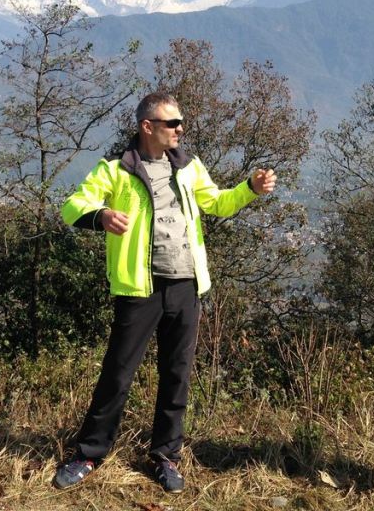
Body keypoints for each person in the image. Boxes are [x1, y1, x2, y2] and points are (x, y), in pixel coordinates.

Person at [54, 92, 276, 492]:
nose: (180, 129)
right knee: (118, 374)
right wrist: (101, 215)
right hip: (140, 288)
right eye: (172, 123)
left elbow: (218, 203)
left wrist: (250, 188)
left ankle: (166, 457)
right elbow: (72, 205)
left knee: (177, 375)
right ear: (147, 126)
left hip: (186, 285)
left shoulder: (188, 167)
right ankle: (88, 454)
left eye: (180, 122)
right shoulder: (116, 170)